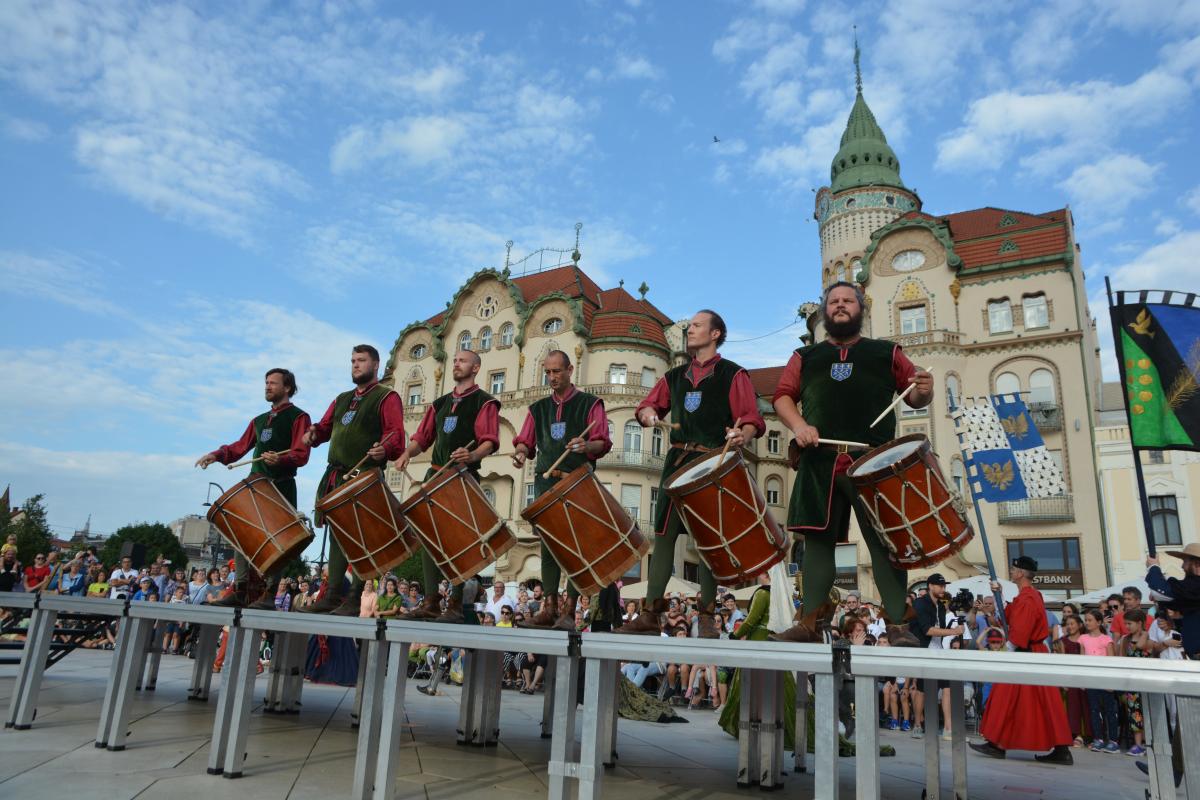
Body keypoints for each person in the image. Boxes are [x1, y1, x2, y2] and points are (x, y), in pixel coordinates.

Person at [772, 282, 933, 634]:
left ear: (861, 308)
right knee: (817, 544)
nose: (840, 305)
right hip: (820, 461)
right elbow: (782, 396)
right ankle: (810, 623)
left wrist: (926, 389)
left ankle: (897, 624)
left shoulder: (887, 352)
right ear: (824, 311)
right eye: (833, 301)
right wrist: (799, 425)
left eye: (847, 300)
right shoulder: (804, 357)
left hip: (873, 462)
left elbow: (915, 396)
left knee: (884, 543)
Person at [623, 310, 764, 637]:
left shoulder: (733, 374)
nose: (690, 329)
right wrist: (647, 414)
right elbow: (647, 406)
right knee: (664, 535)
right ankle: (650, 613)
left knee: (708, 540)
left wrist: (743, 434)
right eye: (689, 326)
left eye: (697, 325)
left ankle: (707, 615)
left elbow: (751, 419)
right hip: (676, 461)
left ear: (715, 334)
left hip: (712, 464)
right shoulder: (674, 376)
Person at [395, 350, 500, 623]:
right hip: (435, 474)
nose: (456, 364)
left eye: (462, 361)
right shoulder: (439, 403)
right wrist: (407, 452)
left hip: (463, 475)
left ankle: (455, 602)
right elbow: (422, 437)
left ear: (475, 368)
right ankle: (431, 600)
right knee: (427, 534)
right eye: (455, 360)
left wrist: (472, 455)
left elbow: (489, 441)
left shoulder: (484, 402)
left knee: (460, 539)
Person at [511, 349, 612, 629]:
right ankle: (549, 608)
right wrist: (520, 453)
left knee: (576, 545)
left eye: (556, 371)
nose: (552, 377)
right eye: (548, 372)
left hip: (577, 482)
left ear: (569, 370)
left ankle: (569, 610)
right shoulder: (538, 409)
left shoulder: (590, 403)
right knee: (549, 545)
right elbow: (525, 441)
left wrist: (586, 445)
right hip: (546, 484)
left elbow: (602, 442)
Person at [196, 368, 312, 609]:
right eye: (266, 382)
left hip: (281, 486)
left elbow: (301, 454)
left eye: (273, 383)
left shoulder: (299, 417)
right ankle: (239, 590)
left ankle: (269, 594)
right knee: (240, 535)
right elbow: (239, 447)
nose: (267, 386)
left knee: (279, 542)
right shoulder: (259, 420)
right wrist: (216, 455)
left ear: (287, 388)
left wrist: (281, 459)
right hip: (256, 486)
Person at [302, 345, 405, 614]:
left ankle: (356, 595)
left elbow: (395, 434)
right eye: (352, 361)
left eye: (361, 360)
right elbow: (324, 428)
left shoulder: (386, 397)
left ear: (376, 365)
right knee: (338, 533)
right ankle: (333, 593)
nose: (355, 365)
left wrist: (385, 449)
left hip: (364, 476)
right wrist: (313, 434)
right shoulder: (342, 399)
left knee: (363, 535)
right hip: (336, 474)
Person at [969, 556, 1073, 764]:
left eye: (1013, 569)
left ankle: (998, 744)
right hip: (1029, 652)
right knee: (1036, 701)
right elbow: (1009, 618)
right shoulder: (1028, 596)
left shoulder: (1027, 598)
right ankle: (998, 744)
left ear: (1020, 573)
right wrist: (998, 597)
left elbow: (1020, 630)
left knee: (1007, 697)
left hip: (1026, 653)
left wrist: (1007, 649)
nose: (1011, 571)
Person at [718, 572, 797, 746]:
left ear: (766, 574)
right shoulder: (779, 593)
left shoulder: (762, 593)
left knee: (749, 682)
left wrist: (735, 634)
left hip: (759, 639)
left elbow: (751, 620)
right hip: (774, 640)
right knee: (774, 683)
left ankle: (750, 723)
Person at [908, 573, 965, 737]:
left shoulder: (940, 605)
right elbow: (928, 630)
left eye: (944, 586)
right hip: (923, 650)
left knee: (947, 686)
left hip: (938, 650)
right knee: (922, 689)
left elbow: (938, 630)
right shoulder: (920, 603)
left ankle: (948, 728)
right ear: (930, 586)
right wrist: (954, 631)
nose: (943, 588)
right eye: (940, 585)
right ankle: (917, 725)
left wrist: (954, 630)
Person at [1146, 544, 1200, 658]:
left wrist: (1153, 567)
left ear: (1197, 564)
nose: (1182, 566)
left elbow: (1160, 592)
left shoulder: (1196, 586)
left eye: (1185, 562)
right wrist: (1174, 621)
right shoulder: (1193, 589)